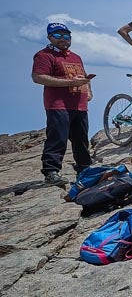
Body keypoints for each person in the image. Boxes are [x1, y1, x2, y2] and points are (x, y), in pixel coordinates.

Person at [31, 22, 93, 187]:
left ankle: (84, 170)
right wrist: (69, 82)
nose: (63, 39)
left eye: (66, 36)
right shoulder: (44, 55)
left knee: (81, 140)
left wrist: (89, 90)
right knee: (57, 138)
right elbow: (38, 77)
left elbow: (83, 75)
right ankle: (51, 172)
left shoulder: (76, 56)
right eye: (58, 36)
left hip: (79, 105)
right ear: (50, 37)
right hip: (58, 104)